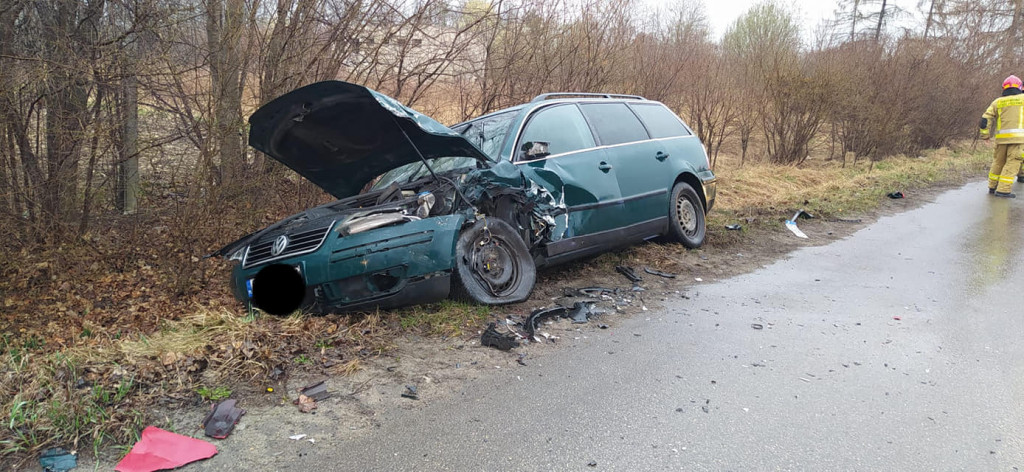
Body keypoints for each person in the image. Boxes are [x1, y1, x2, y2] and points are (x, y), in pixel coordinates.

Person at [980, 75, 1024, 198]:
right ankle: (1003, 190)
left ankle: (992, 187)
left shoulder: (997, 102)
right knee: (1013, 163)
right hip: (1019, 140)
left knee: (998, 162)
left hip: (1001, 140)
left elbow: (985, 119)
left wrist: (985, 136)